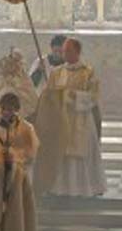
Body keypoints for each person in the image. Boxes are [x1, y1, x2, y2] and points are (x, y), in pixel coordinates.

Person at [33, 38, 106, 199]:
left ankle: (82, 188)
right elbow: (49, 95)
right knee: (61, 152)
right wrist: (52, 97)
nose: (64, 54)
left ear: (77, 52)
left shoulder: (88, 72)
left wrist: (73, 96)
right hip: (60, 119)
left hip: (81, 120)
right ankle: (60, 188)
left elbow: (94, 96)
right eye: (63, 51)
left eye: (68, 51)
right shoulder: (56, 72)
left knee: (79, 153)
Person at [0, 49, 38, 118]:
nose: (20, 65)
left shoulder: (23, 76)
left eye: (19, 62)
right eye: (17, 62)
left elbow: (30, 91)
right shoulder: (6, 78)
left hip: (22, 100)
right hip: (8, 93)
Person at [0, 93, 40, 180]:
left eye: (9, 109)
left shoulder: (27, 127)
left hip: (21, 167)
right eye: (3, 108)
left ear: (16, 110)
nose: (5, 112)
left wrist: (16, 157)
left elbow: (33, 150)